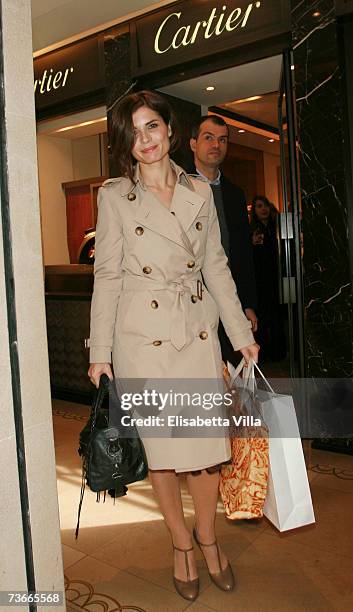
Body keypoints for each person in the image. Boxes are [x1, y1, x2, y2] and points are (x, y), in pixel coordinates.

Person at [88, 91, 259, 602]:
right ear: (126, 144)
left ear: (169, 131)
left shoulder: (197, 191)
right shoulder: (115, 196)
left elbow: (217, 267)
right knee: (162, 454)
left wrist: (241, 336)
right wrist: (101, 351)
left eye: (152, 128)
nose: (144, 141)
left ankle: (208, 536)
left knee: (205, 455)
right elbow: (108, 274)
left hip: (196, 333)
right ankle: (182, 544)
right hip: (143, 338)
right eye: (133, 134)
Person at [189, 115, 258, 366]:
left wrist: (247, 304)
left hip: (230, 300)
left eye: (222, 140)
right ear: (193, 143)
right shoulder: (177, 189)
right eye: (208, 138)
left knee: (231, 380)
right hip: (192, 302)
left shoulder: (235, 194)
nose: (216, 145)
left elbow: (243, 254)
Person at [250, 195, 286, 361]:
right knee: (264, 318)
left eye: (265, 206)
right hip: (260, 282)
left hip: (278, 279)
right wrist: (252, 244)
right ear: (254, 211)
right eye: (259, 206)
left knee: (279, 316)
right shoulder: (251, 231)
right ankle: (265, 354)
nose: (263, 209)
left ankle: (281, 352)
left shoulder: (278, 228)